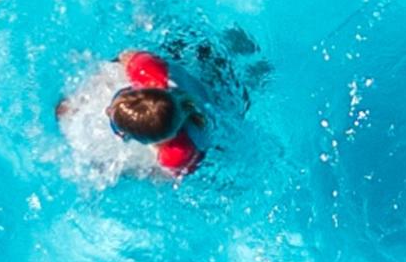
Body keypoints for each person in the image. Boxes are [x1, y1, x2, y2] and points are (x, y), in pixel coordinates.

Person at [56, 13, 262, 183]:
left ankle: (256, 69)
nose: (106, 110)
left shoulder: (178, 153)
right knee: (215, 57)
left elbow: (161, 177)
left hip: (223, 106)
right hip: (209, 88)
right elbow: (127, 55)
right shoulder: (153, 72)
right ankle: (249, 50)